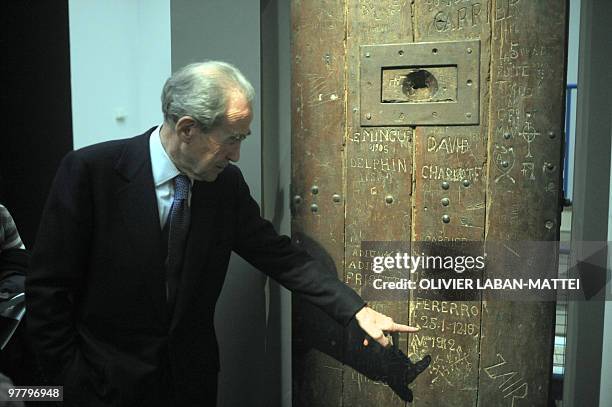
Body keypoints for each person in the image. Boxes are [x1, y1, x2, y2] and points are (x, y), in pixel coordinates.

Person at [26, 61, 426, 406]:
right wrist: (69, 382)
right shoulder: (90, 173)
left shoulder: (225, 186)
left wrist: (356, 310)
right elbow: (48, 292)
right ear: (187, 129)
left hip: (190, 386)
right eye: (230, 139)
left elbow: (280, 257)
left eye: (242, 139)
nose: (236, 155)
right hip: (102, 386)